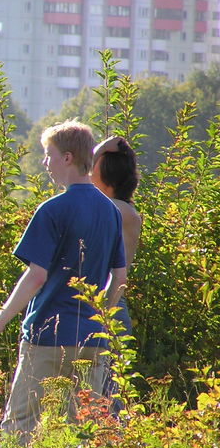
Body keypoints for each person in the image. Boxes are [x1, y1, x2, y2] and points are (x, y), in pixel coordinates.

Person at [0, 120, 127, 446]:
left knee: (21, 423)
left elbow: (37, 276)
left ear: (68, 158)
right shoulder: (111, 211)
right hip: (92, 338)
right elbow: (121, 276)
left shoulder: (52, 209)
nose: (45, 163)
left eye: (49, 155)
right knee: (82, 431)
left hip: (47, 335)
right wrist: (103, 320)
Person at [91, 136, 141, 410]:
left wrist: (97, 150)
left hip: (108, 305)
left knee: (109, 398)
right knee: (101, 394)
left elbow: (77, 185)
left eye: (95, 165)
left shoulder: (117, 210)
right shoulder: (120, 209)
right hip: (107, 304)